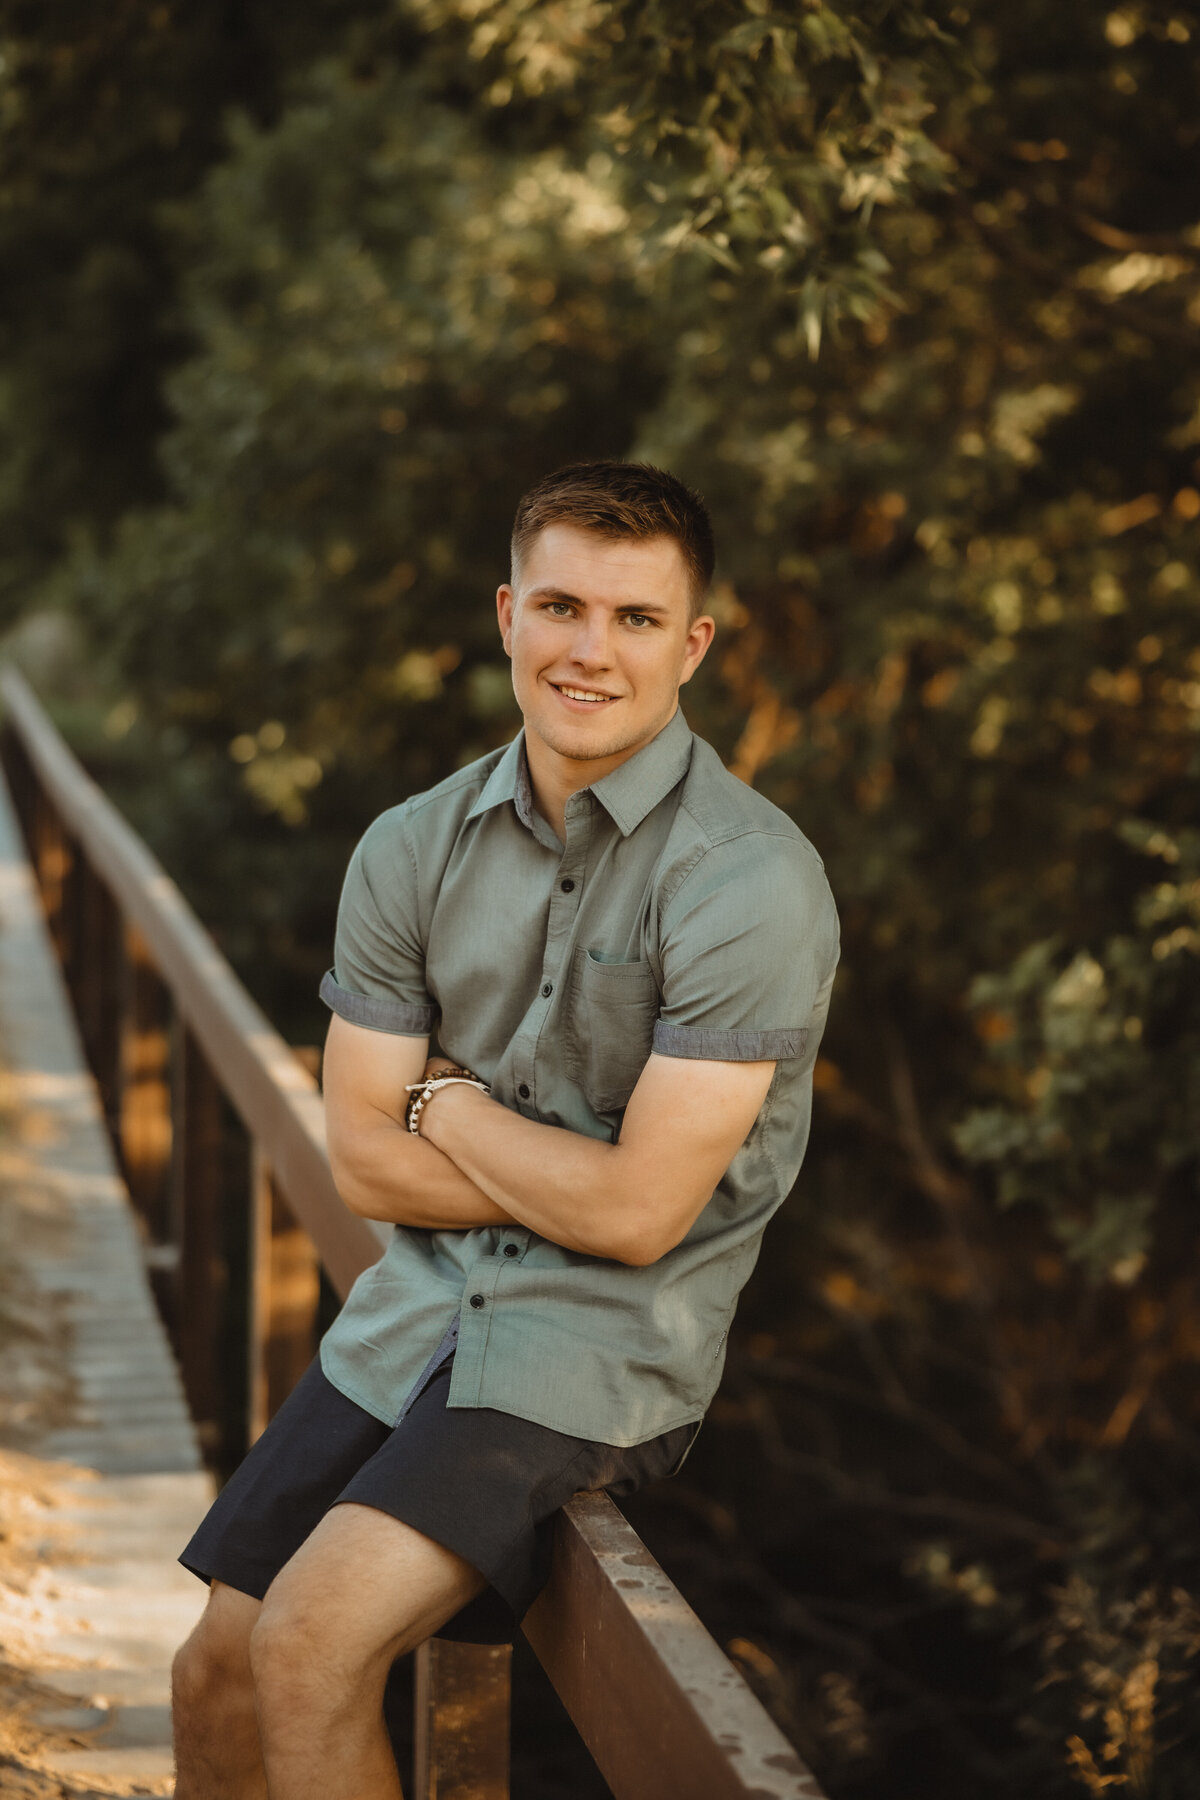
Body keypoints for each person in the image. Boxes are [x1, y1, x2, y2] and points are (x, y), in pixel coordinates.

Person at [171, 460, 839, 1799]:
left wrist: (447, 1103)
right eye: (562, 607)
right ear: (507, 616)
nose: (591, 651)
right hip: (414, 1313)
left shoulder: (751, 885)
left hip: (594, 1353)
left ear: (692, 642)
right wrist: (465, 1131)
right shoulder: (410, 849)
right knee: (214, 1670)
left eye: (636, 619)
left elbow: (641, 1218)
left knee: (308, 1649)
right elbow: (359, 1159)